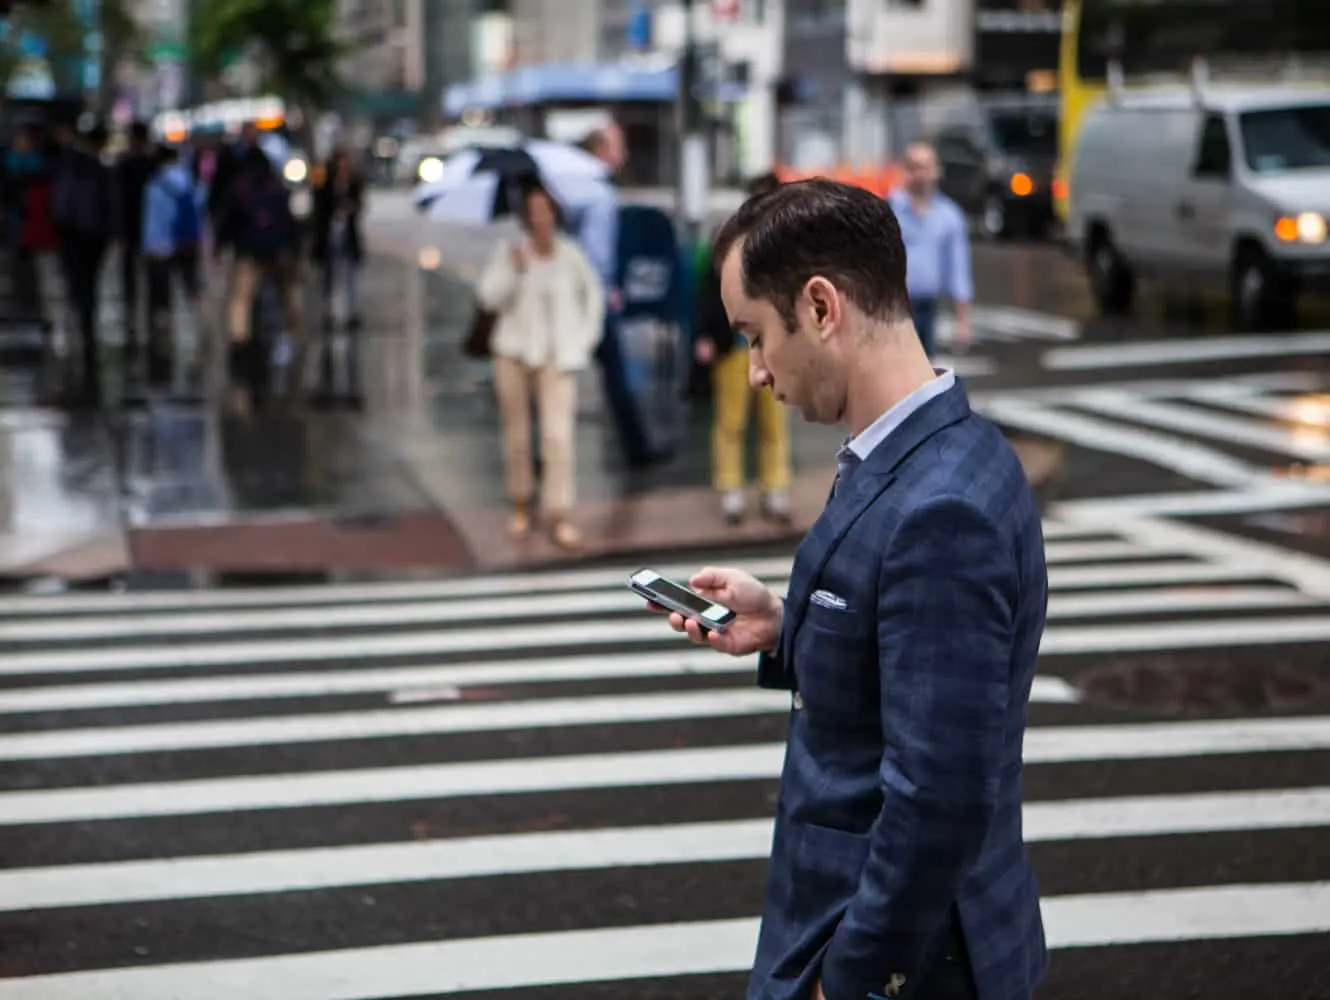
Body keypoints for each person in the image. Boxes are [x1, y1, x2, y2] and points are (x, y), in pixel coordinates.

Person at [652, 179, 1048, 1000]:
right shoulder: (946, 450)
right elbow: (915, 664)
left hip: (900, 960)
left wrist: (852, 973)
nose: (756, 372)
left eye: (756, 337)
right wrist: (786, 626)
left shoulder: (940, 508)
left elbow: (937, 798)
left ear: (822, 307)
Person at [476, 181, 605, 550]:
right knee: (517, 436)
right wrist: (513, 269)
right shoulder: (511, 252)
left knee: (557, 437)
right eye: (533, 212)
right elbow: (488, 298)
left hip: (557, 357)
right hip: (514, 354)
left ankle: (559, 513)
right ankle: (520, 503)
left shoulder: (570, 254)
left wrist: (583, 342)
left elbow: (591, 299)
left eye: (546, 211)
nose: (540, 219)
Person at [693, 171, 791, 524]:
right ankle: (731, 489)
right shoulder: (728, 241)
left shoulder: (788, 246)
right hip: (732, 343)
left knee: (773, 420)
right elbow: (707, 288)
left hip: (775, 344)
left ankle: (775, 488)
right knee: (730, 420)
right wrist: (704, 334)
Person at [576, 121, 666, 469]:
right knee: (613, 372)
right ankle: (637, 448)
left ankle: (637, 446)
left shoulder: (595, 188)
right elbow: (595, 251)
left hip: (595, 292)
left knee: (612, 372)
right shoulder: (591, 190)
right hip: (592, 296)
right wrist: (606, 287)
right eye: (616, 145)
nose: (623, 154)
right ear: (600, 150)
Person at [888, 141, 973, 357]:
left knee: (926, 372)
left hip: (929, 306)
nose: (920, 174)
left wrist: (962, 321)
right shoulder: (889, 210)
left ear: (937, 171)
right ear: (905, 170)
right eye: (914, 167)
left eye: (926, 167)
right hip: (894, 307)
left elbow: (958, 268)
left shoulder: (949, 215)